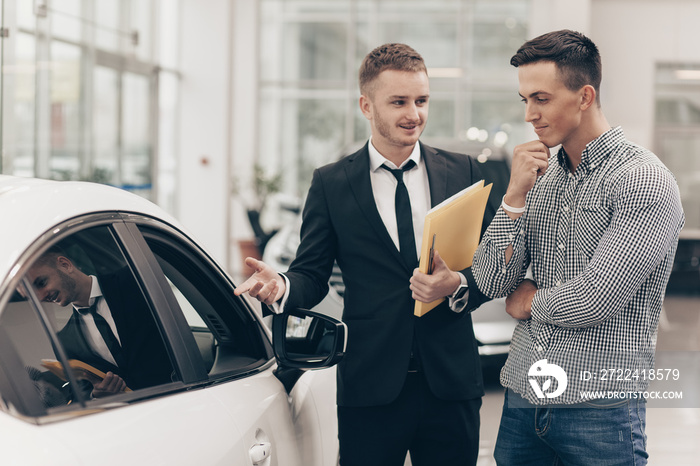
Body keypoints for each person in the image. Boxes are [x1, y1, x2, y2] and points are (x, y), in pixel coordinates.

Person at [235, 43, 494, 466]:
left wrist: (459, 285)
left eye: (422, 100)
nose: (414, 114)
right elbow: (311, 274)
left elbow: (487, 270)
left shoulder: (462, 171)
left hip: (451, 383)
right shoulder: (332, 183)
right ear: (366, 105)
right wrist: (281, 285)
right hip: (370, 385)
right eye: (399, 102)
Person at [471, 29, 684, 465]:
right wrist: (513, 196)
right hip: (523, 398)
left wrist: (530, 302)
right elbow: (492, 278)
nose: (529, 114)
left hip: (600, 410)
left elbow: (596, 296)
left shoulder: (642, 180)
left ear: (584, 96)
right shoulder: (541, 179)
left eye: (541, 98)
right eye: (524, 99)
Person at [25, 246, 174, 396]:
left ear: (65, 265)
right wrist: (96, 395)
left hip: (179, 398)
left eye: (41, 283)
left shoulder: (134, 280)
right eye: (31, 295)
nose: (40, 297)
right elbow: (80, 393)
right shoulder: (64, 341)